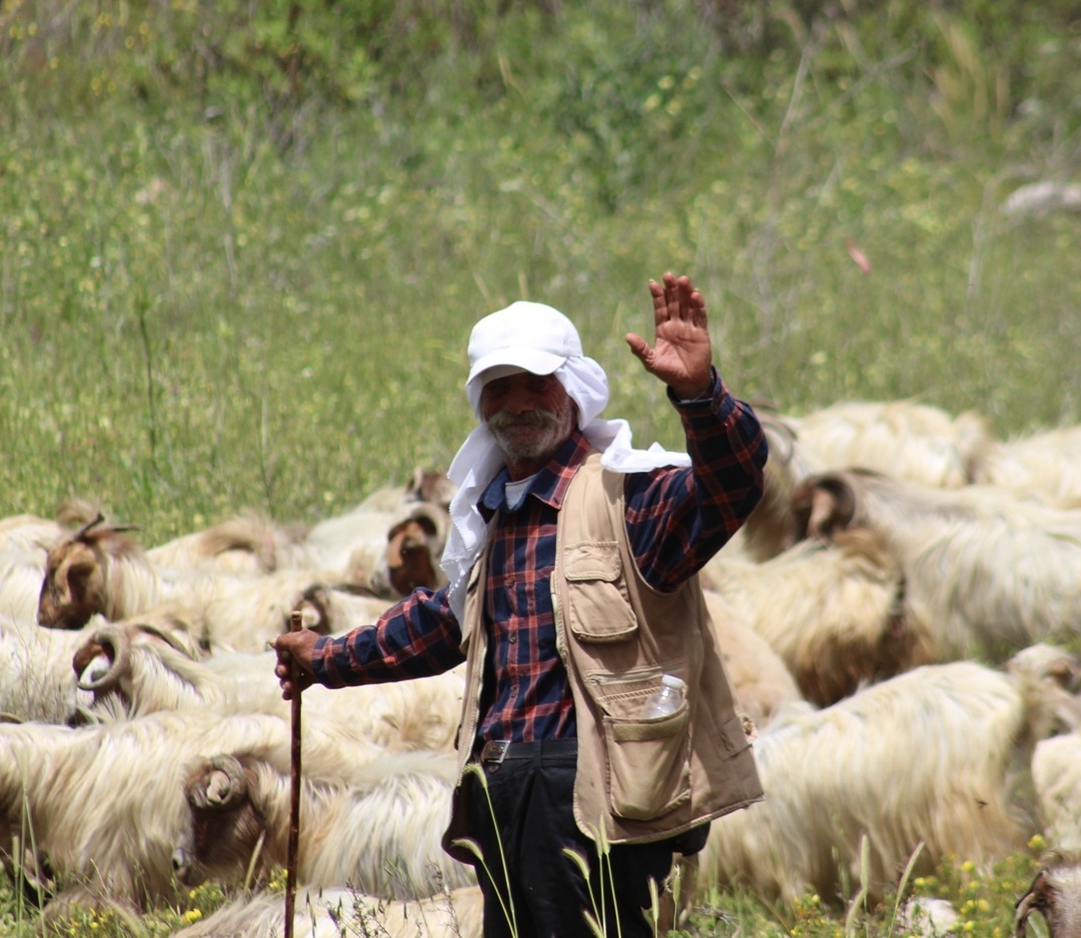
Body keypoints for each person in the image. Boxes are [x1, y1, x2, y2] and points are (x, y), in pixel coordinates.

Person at [274, 273, 768, 938]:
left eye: (537, 384)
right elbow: (445, 624)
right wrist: (325, 659)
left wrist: (698, 395)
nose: (518, 404)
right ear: (482, 404)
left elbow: (731, 485)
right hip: (500, 787)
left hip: (599, 790)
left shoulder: (632, 500)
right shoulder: (491, 518)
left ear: (572, 391)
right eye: (499, 388)